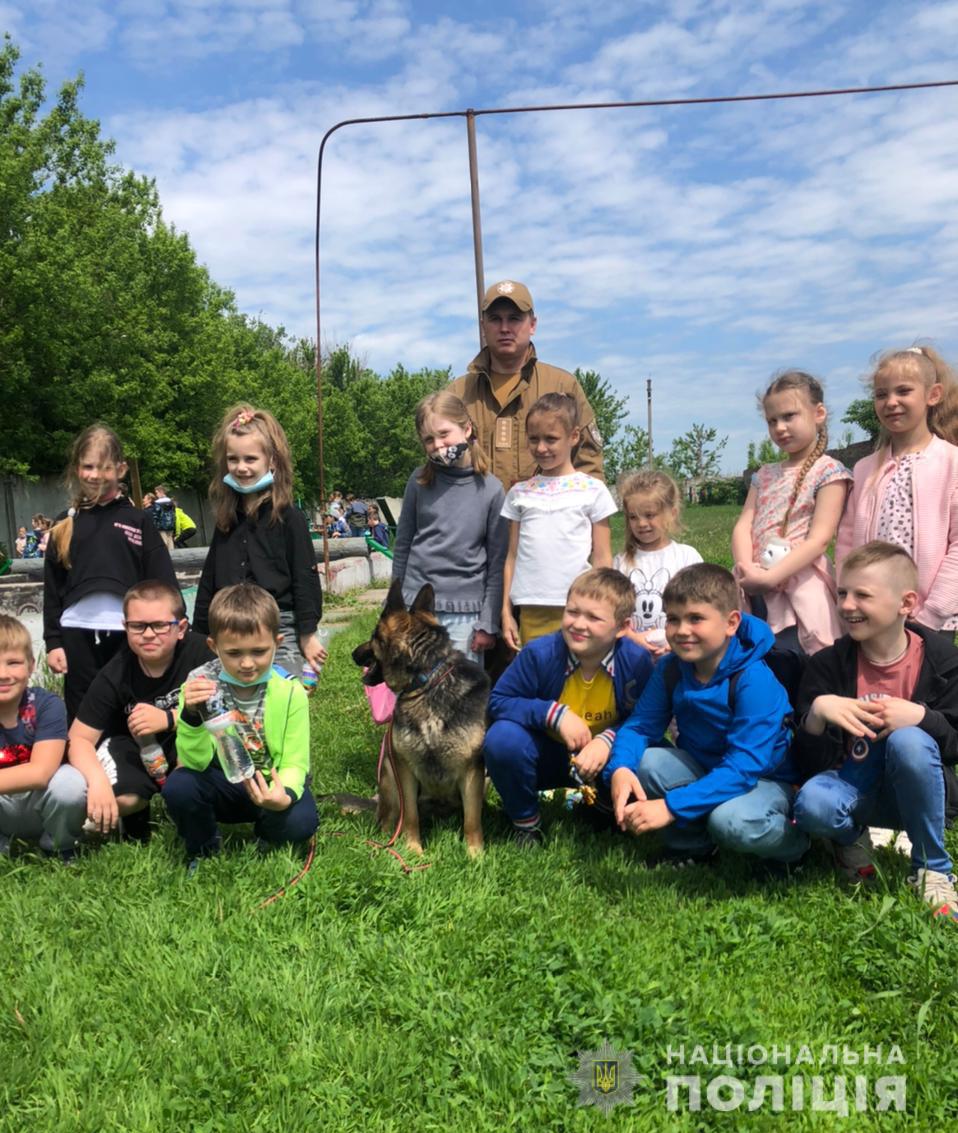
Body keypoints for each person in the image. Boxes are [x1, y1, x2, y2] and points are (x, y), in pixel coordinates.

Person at [791, 542, 958, 921]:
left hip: (922, 795)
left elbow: (954, 742)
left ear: (906, 602)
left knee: (910, 740)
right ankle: (854, 841)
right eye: (842, 593)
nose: (847, 605)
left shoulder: (945, 662)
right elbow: (806, 762)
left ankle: (932, 868)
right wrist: (817, 716)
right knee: (812, 804)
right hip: (854, 786)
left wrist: (922, 717)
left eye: (862, 595)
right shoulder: (827, 665)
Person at [605, 563, 807, 870]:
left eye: (696, 618)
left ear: (731, 623)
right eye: (673, 619)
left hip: (766, 780)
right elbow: (641, 726)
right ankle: (693, 848)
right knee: (644, 763)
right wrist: (620, 768)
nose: (682, 630)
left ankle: (795, 847)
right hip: (707, 765)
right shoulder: (671, 667)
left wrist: (671, 807)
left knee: (731, 820)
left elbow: (743, 769)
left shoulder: (754, 681)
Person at [484, 569, 653, 846]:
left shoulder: (636, 661)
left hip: (604, 760)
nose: (578, 624)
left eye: (594, 617)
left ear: (622, 627)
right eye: (572, 612)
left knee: (654, 754)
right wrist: (553, 714)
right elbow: (499, 701)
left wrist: (608, 740)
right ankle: (526, 824)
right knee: (502, 739)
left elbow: (646, 719)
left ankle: (601, 808)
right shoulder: (539, 653)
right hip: (547, 754)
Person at [164, 583, 318, 869]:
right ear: (213, 646)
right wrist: (191, 717)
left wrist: (284, 796)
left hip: (272, 780)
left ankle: (268, 833)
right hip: (223, 780)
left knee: (302, 821)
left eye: (259, 652)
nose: (247, 664)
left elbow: (297, 762)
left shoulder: (290, 690)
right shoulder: (199, 684)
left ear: (278, 642)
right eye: (234, 653)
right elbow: (193, 761)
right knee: (179, 786)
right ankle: (204, 847)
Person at [43, 424, 179, 722]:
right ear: (77, 469)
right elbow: (53, 589)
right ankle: (81, 763)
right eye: (87, 466)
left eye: (103, 467)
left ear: (121, 469)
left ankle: (134, 765)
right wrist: (53, 642)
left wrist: (177, 628)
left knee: (129, 710)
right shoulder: (64, 523)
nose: (94, 475)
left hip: (128, 635)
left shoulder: (137, 520)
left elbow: (162, 580)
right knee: (82, 714)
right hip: (76, 636)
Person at [66, 581, 213, 843]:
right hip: (134, 747)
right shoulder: (116, 672)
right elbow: (78, 738)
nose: (147, 634)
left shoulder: (204, 653)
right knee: (123, 799)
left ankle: (197, 819)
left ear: (180, 628)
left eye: (159, 625)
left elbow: (234, 706)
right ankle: (132, 815)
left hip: (193, 737)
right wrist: (98, 783)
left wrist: (169, 719)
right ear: (125, 627)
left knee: (197, 768)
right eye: (138, 626)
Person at [193, 404, 326, 680]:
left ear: (272, 461)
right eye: (233, 459)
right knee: (219, 701)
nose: (241, 468)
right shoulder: (225, 519)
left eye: (250, 459)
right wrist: (199, 634)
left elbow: (305, 577)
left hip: (280, 629)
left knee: (282, 697)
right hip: (229, 628)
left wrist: (308, 633)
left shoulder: (289, 517)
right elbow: (209, 579)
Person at [836, 346, 958, 639]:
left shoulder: (952, 463)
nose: (891, 402)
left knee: (926, 685)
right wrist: (847, 597)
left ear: (933, 394)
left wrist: (932, 613)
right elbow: (846, 541)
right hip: (869, 615)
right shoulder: (865, 468)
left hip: (930, 620)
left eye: (903, 391)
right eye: (881, 394)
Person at [733, 370, 851, 656]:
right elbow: (742, 526)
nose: (780, 428)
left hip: (801, 577)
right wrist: (746, 568)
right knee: (754, 651)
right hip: (754, 578)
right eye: (772, 421)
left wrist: (773, 578)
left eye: (789, 416)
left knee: (809, 652)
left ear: (818, 413)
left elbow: (819, 540)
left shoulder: (829, 471)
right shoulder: (764, 474)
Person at [448, 280, 604, 487]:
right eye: (495, 319)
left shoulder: (563, 386)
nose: (504, 328)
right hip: (475, 518)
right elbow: (440, 463)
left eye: (514, 319)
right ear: (483, 326)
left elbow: (589, 466)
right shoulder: (457, 394)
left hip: (546, 516)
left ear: (532, 325)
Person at [391, 391, 508, 664]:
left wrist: (488, 621)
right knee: (412, 692)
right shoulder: (418, 482)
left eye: (444, 434)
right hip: (414, 607)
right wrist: (394, 604)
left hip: (464, 617)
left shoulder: (491, 489)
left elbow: (497, 562)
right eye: (429, 439)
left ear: (466, 429)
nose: (438, 445)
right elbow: (403, 546)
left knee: (456, 696)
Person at [501, 393, 616, 649]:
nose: (541, 448)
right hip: (531, 609)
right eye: (534, 439)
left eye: (551, 439)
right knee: (539, 681)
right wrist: (506, 612)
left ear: (574, 436)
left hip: (580, 609)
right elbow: (512, 556)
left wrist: (603, 608)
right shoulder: (520, 493)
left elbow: (603, 558)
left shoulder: (593, 490)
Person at [0, 614, 86, 861]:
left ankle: (59, 845)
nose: (3, 674)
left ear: (31, 666)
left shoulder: (47, 704)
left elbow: (40, 773)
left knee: (70, 782)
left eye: (13, 662)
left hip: (40, 805)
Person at [614, 469, 702, 656]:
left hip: (678, 652)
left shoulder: (686, 557)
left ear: (672, 513)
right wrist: (632, 637)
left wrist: (676, 641)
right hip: (632, 655)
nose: (641, 523)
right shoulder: (621, 562)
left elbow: (701, 607)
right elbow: (611, 611)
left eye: (649, 515)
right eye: (633, 517)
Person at [150, 486, 177, 552]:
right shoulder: (171, 502)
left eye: (156, 493)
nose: (156, 495)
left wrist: (155, 525)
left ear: (161, 492)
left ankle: (165, 558)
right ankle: (173, 557)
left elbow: (155, 516)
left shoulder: (157, 503)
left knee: (163, 542)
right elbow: (174, 514)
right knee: (170, 540)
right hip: (171, 525)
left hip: (161, 525)